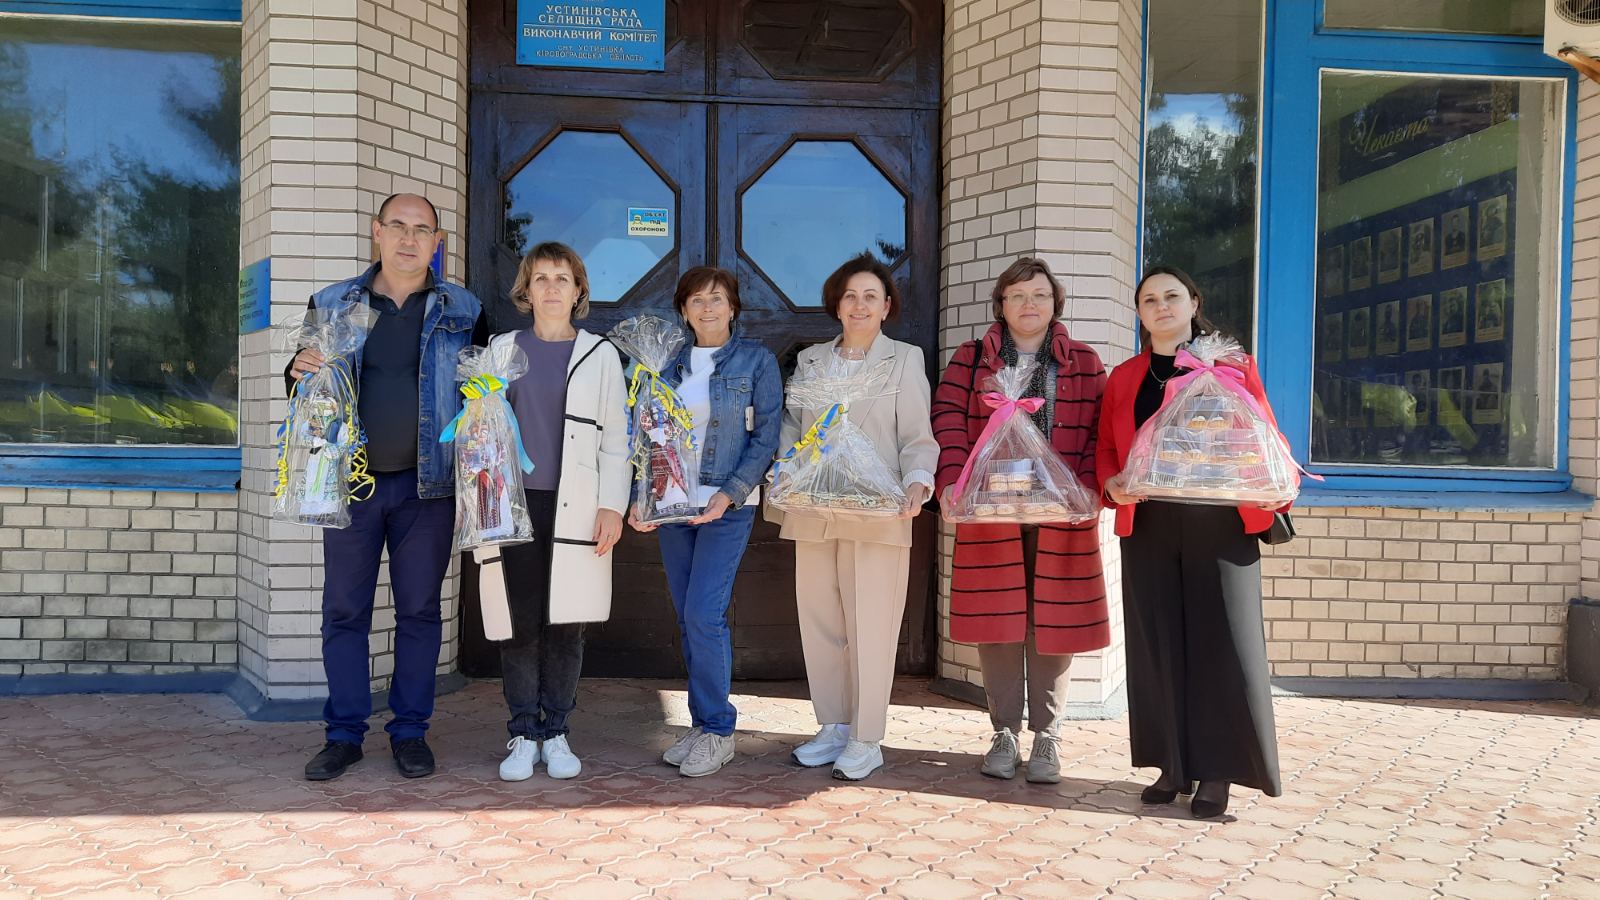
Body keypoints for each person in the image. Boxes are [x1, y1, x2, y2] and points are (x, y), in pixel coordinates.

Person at [288, 193, 486, 781]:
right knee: (344, 610)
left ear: (436, 242)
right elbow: (305, 388)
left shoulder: (465, 309)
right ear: (376, 231)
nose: (408, 238)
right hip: (350, 486)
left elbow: (486, 395)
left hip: (429, 490)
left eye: (421, 230)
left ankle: (410, 732)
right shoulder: (332, 304)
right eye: (397, 226)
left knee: (420, 612)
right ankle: (344, 735)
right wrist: (293, 372)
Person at [1096, 265, 1289, 819]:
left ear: (1193, 303)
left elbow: (1263, 433)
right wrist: (1111, 484)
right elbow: (1105, 447)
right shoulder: (1125, 376)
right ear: (1139, 313)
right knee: (1158, 644)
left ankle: (1218, 771)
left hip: (1220, 523)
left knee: (1222, 645)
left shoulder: (1231, 365)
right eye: (1149, 299)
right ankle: (1172, 765)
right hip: (1149, 524)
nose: (1161, 306)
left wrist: (1275, 488)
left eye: (1172, 296)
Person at [930, 257, 1109, 784]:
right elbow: (947, 419)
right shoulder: (971, 359)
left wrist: (1088, 486)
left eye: (1040, 295)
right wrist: (953, 480)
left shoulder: (1083, 361)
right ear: (1001, 305)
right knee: (998, 620)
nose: (1029, 304)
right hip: (990, 511)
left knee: (1055, 622)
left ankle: (1048, 734)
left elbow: (1100, 429)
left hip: (1063, 514)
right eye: (1017, 295)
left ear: (1055, 304)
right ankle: (1004, 731)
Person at [768, 253, 938, 781]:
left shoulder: (904, 359)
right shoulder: (812, 361)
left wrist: (919, 480)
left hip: (878, 510)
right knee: (820, 622)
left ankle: (866, 736)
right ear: (836, 306)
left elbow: (917, 435)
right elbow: (793, 428)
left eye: (870, 296)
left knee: (872, 626)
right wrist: (784, 471)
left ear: (887, 307)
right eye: (850, 296)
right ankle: (833, 725)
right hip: (814, 507)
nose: (859, 305)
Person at [630, 267, 783, 778]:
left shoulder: (756, 361)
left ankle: (718, 729)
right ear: (683, 310)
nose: (708, 308)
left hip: (725, 508)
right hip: (672, 505)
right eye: (696, 300)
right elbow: (644, 439)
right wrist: (641, 498)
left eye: (717, 298)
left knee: (703, 614)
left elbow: (766, 437)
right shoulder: (662, 365)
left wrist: (730, 492)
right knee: (687, 616)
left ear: (733, 307)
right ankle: (701, 725)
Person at [493, 242, 631, 782]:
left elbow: (616, 440)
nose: (552, 287)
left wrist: (612, 506)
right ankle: (523, 731)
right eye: (541, 278)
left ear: (578, 292)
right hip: (515, 505)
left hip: (579, 507)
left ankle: (556, 731)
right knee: (520, 623)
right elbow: (481, 429)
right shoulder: (502, 350)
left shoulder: (600, 356)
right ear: (526, 290)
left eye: (563, 278)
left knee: (568, 622)